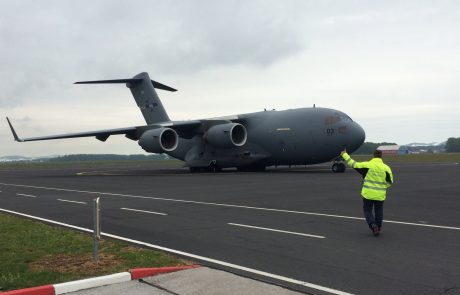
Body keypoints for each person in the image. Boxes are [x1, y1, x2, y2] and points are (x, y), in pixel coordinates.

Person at [340, 148, 394, 236]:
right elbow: (390, 182)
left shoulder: (367, 165)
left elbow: (353, 164)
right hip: (380, 195)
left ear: (374, 155)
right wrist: (382, 186)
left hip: (368, 194)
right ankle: (378, 227)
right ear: (381, 156)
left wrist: (344, 154)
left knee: (368, 211)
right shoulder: (386, 168)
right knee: (379, 211)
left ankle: (373, 225)